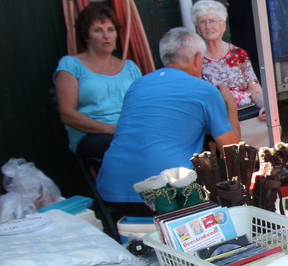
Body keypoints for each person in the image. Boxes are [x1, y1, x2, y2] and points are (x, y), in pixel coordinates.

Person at [96, 28, 241, 210]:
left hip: (113, 190)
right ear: (197, 58)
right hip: (167, 195)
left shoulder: (137, 85)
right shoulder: (205, 90)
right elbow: (233, 152)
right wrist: (231, 108)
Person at [53, 4, 143, 161]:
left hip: (129, 131)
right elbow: (67, 114)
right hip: (92, 134)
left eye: (110, 29)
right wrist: (110, 128)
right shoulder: (71, 65)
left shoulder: (130, 67)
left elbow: (143, 105)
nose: (106, 36)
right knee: (129, 146)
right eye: (98, 30)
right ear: (86, 36)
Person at [190, 0, 269, 146]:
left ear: (223, 25)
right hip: (219, 121)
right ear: (197, 28)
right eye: (203, 22)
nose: (208, 26)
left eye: (213, 21)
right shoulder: (195, 59)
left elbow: (255, 88)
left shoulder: (238, 54)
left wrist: (266, 106)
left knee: (269, 128)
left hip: (248, 114)